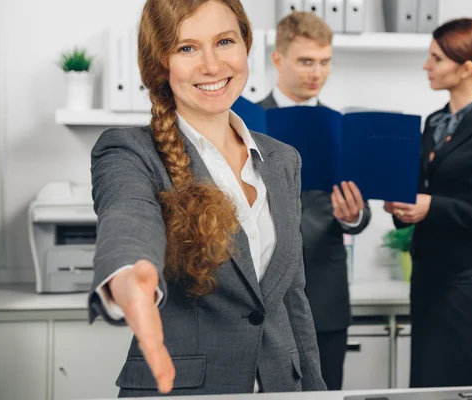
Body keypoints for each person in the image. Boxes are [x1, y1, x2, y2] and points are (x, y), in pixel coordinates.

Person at [87, 0, 326, 396]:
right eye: (187, 48)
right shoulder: (130, 150)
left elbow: (292, 298)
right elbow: (127, 216)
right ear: (160, 63)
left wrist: (317, 390)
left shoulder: (283, 160)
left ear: (245, 46)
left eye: (225, 41)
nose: (212, 65)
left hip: (282, 387)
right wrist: (128, 275)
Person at [383, 18, 472, 388]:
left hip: (469, 282)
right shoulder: (433, 123)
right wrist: (402, 209)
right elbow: (421, 195)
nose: (426, 66)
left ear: (465, 69)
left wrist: (434, 207)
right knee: (425, 387)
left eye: (436, 58)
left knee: (460, 386)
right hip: (428, 275)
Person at [258, 11, 371, 391]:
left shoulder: (342, 126)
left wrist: (353, 216)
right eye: (306, 61)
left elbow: (361, 211)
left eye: (324, 62)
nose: (316, 72)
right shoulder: (243, 123)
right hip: (260, 295)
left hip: (324, 293)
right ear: (278, 59)